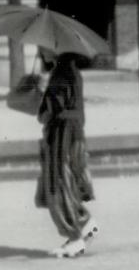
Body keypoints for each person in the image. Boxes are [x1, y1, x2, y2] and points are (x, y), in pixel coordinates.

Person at [35, 50, 98, 258]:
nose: (42, 52)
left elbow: (49, 111)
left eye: (44, 48)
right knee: (67, 179)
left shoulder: (61, 74)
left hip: (61, 133)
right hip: (73, 132)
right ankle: (83, 222)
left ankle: (75, 237)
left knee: (58, 183)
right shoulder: (71, 71)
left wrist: (39, 93)